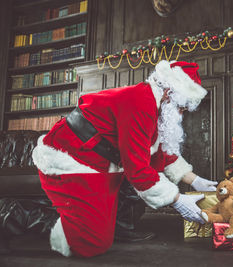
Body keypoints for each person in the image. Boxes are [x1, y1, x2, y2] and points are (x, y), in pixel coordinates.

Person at [1, 60, 217, 257]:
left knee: (103, 228)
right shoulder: (141, 102)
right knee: (91, 243)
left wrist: (195, 180)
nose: (181, 114)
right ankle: (11, 213)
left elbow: (158, 154)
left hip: (98, 163)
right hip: (71, 159)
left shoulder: (153, 105)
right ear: (170, 93)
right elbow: (138, 170)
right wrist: (178, 201)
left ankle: (88, 216)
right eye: (182, 107)